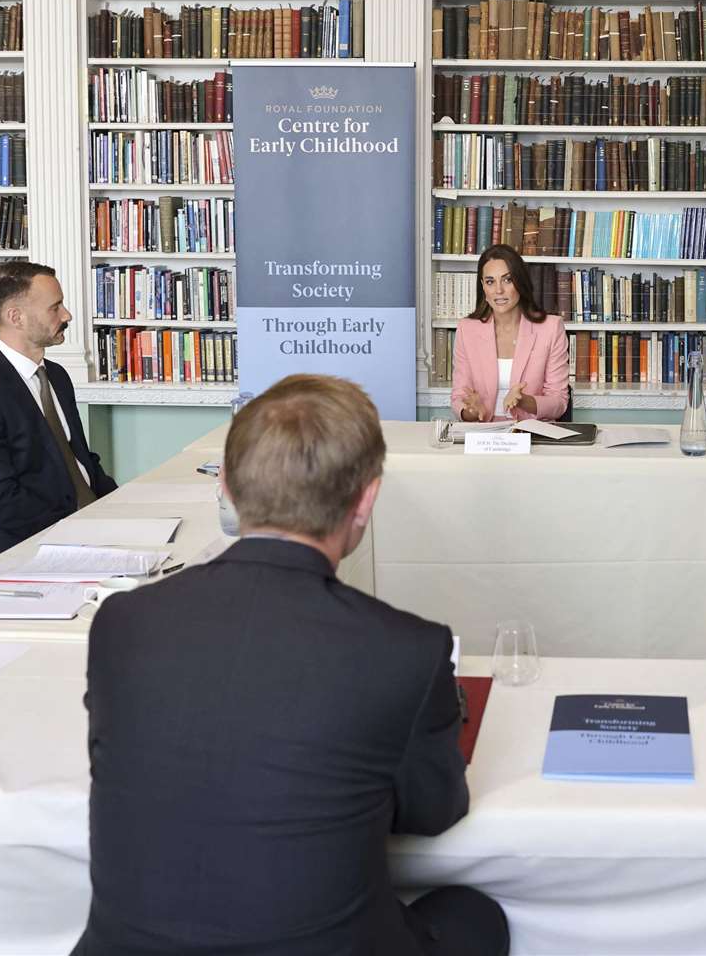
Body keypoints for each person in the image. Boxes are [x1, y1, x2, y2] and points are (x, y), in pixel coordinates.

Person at [76, 375, 509, 956]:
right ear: (367, 500)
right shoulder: (405, 651)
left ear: (226, 486)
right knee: (474, 915)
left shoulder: (122, 623)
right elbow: (435, 812)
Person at [0, 262, 116, 558]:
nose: (67, 315)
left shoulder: (57, 377)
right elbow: (2, 503)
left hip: (92, 526)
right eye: (55, 307)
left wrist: (125, 506)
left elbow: (81, 460)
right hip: (34, 547)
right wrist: (79, 529)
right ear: (16, 317)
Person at [451, 245, 569, 421]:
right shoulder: (466, 329)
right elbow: (459, 396)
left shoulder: (551, 328)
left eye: (507, 280)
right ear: (483, 286)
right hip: (484, 435)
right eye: (490, 282)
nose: (499, 290)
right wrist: (472, 412)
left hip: (530, 433)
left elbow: (559, 402)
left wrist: (524, 401)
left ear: (519, 282)